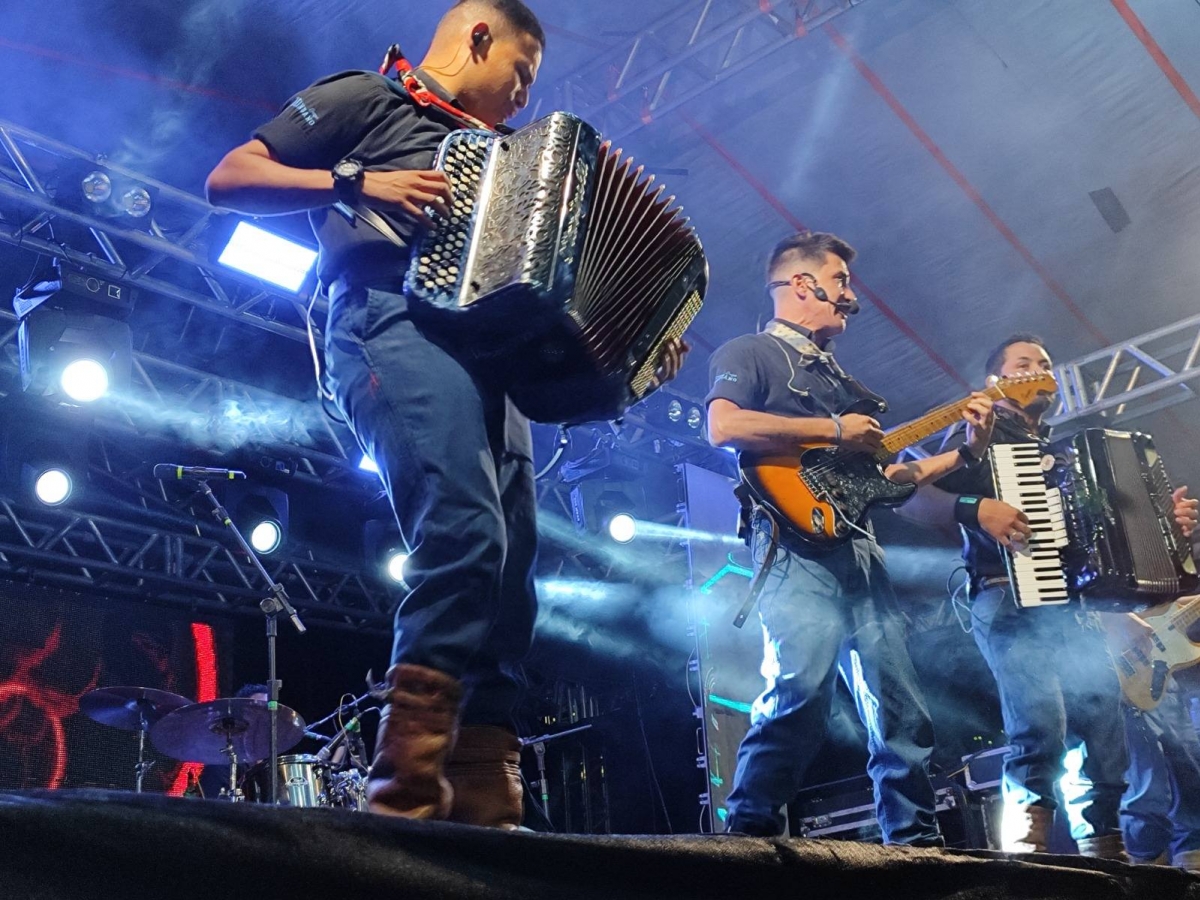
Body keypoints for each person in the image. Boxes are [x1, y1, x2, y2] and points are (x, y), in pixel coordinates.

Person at [206, 0, 687, 828]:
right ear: (477, 38)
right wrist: (359, 180)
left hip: (489, 360)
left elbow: (552, 303)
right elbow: (228, 178)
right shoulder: (367, 98)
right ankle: (407, 779)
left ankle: (483, 777)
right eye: (521, 74)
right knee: (465, 527)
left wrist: (633, 350)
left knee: (511, 567)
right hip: (385, 323)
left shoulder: (516, 158)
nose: (525, 99)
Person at [705, 230, 996, 844]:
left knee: (899, 701)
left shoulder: (842, 380)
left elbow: (890, 479)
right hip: (791, 549)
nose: (849, 296)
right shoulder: (751, 351)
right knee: (800, 690)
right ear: (804, 284)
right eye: (840, 282)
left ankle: (914, 839)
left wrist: (965, 451)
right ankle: (750, 837)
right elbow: (723, 426)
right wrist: (833, 429)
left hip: (858, 544)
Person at [900, 333, 1198, 859]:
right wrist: (975, 508)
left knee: (1105, 730)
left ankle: (1104, 847)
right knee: (1040, 725)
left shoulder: (1070, 452)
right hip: (1006, 595)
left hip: (1079, 608)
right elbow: (906, 495)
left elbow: (1116, 539)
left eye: (1044, 362)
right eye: (1023, 364)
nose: (1039, 369)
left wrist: (1167, 530)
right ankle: (1028, 852)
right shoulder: (976, 437)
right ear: (997, 382)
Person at [1119, 667, 1200, 870]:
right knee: (1144, 789)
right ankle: (1148, 875)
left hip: (1164, 679)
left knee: (1189, 778)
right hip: (1124, 681)